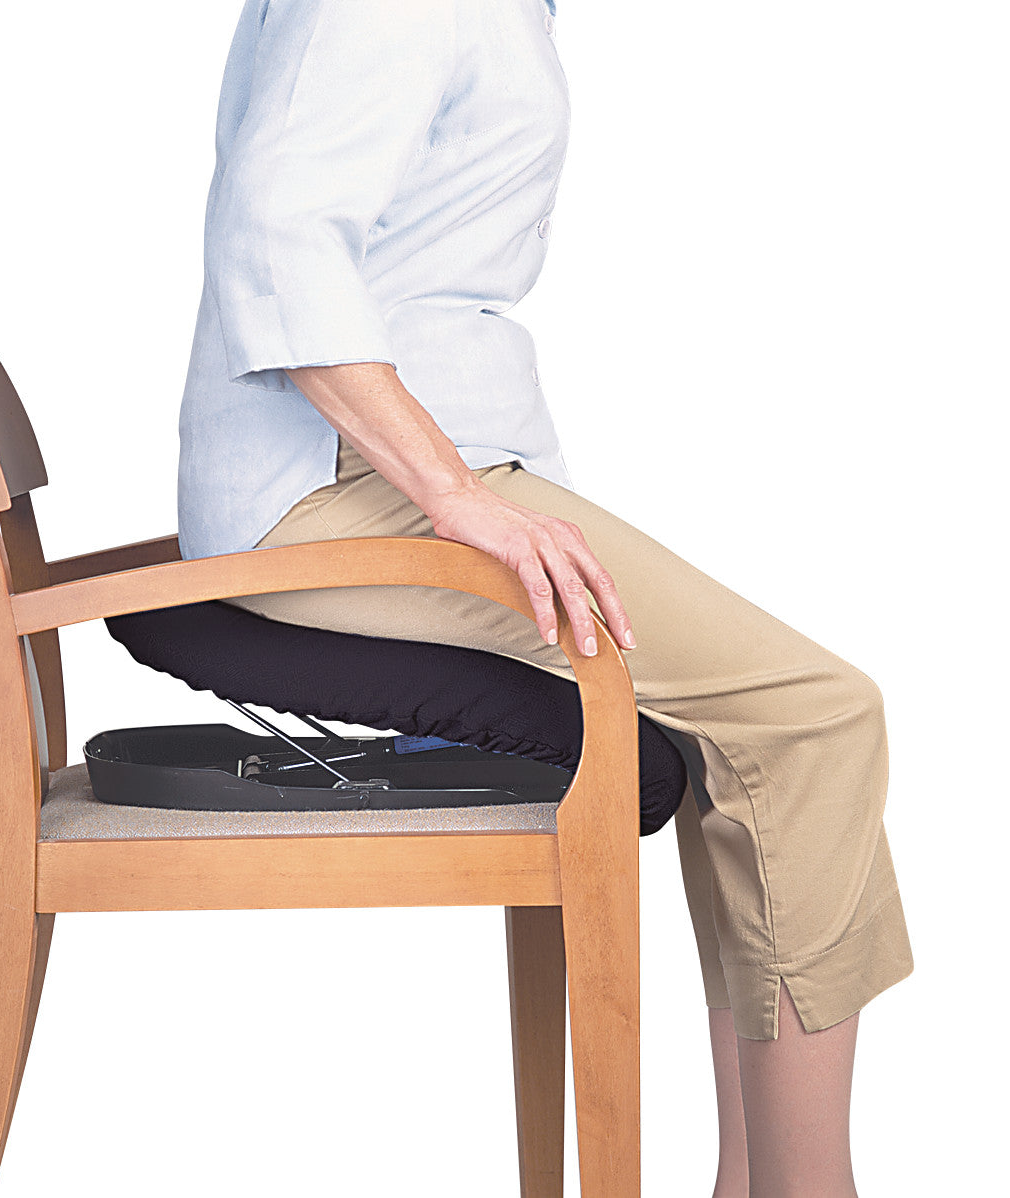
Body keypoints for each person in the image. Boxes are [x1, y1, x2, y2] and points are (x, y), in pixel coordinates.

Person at [177, 2, 914, 1193]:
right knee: (813, 718)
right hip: (344, 481)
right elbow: (277, 234)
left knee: (738, 728)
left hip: (405, 459)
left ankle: (753, 1180)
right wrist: (457, 493)